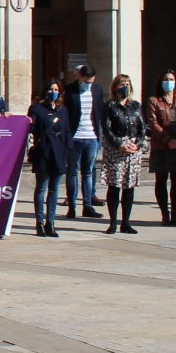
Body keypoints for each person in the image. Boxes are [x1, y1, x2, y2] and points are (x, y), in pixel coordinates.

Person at [145, 70, 176, 226]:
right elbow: (153, 124)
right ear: (161, 82)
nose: (169, 82)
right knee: (161, 180)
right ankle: (164, 214)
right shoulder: (154, 101)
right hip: (161, 146)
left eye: (171, 79)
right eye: (166, 79)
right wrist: (168, 140)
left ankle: (175, 214)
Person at [100, 74, 145, 234]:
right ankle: (113, 222)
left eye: (126, 84)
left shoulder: (136, 106)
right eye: (121, 84)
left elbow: (142, 128)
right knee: (115, 185)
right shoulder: (109, 106)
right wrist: (119, 144)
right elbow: (106, 128)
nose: (124, 87)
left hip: (133, 149)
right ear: (115, 87)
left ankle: (126, 222)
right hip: (116, 149)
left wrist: (137, 144)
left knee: (129, 185)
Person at [61, 64, 105, 220]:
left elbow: (100, 111)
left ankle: (88, 205)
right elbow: (65, 113)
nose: (88, 84)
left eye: (91, 81)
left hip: (91, 136)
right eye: (86, 81)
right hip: (75, 137)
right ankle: (72, 206)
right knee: (72, 172)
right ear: (79, 76)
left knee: (88, 172)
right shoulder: (70, 90)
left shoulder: (97, 90)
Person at [27, 81, 69, 237]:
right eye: (51, 89)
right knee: (41, 188)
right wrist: (29, 121)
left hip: (59, 152)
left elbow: (67, 130)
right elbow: (31, 126)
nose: (54, 92)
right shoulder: (37, 108)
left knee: (54, 189)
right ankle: (39, 222)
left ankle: (50, 222)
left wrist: (68, 147)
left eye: (56, 89)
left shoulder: (62, 110)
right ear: (44, 91)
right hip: (44, 152)